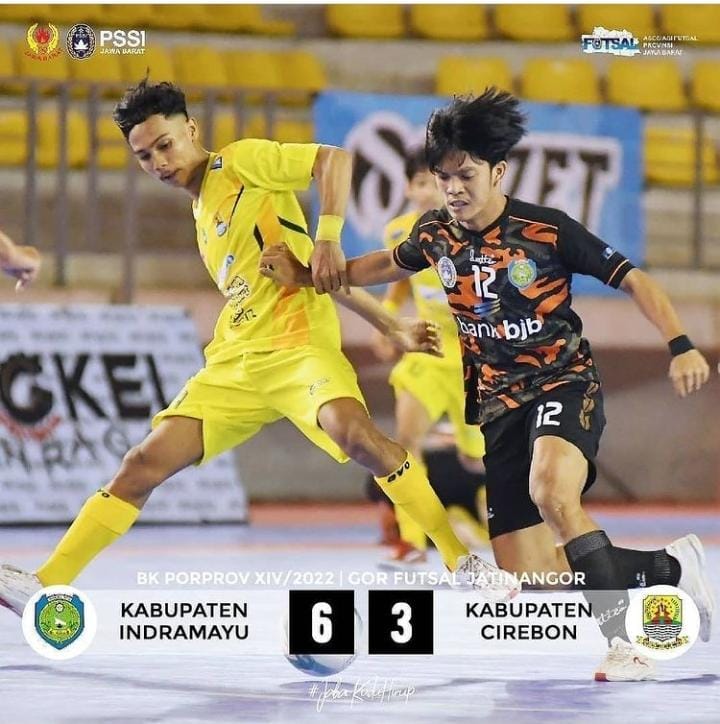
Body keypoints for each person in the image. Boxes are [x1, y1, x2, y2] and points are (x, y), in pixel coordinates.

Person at [0, 80, 518, 617]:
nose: (159, 162)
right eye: (145, 155)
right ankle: (46, 582)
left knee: (359, 438)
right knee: (141, 464)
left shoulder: (240, 164)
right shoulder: (202, 213)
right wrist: (390, 325)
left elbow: (334, 160)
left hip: (299, 348)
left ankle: (460, 562)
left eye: (165, 144)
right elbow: (310, 274)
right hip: (237, 361)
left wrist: (328, 237)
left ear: (191, 130)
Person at [259, 88, 714, 681]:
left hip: (562, 383)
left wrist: (680, 344)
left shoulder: (545, 230)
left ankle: (626, 644)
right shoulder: (434, 233)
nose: (453, 188)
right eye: (443, 176)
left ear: (498, 172)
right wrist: (308, 275)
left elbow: (633, 278)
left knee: (553, 493)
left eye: (465, 175)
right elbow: (384, 264)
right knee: (527, 571)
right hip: (497, 405)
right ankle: (670, 568)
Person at [370, 149, 487, 569]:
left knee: (476, 459)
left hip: (474, 361)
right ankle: (413, 542)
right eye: (419, 183)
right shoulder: (398, 232)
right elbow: (398, 283)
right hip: (427, 354)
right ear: (408, 188)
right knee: (404, 443)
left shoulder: (474, 229)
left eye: (434, 183)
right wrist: (386, 322)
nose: (427, 191)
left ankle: (500, 526)